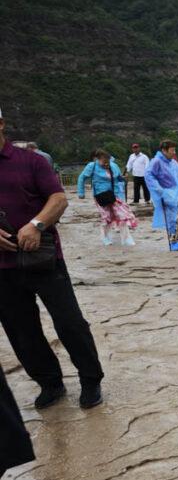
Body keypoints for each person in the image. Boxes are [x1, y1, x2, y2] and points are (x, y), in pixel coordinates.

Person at [0, 107, 105, 409]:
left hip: (44, 258)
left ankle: (91, 380)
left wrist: (36, 224)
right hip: (3, 266)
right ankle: (50, 383)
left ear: (1, 124)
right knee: (21, 330)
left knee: (69, 322)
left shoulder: (31, 161)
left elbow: (58, 199)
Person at [77, 149, 139, 246]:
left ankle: (127, 239)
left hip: (115, 195)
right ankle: (105, 238)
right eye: (103, 161)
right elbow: (82, 178)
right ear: (97, 159)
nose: (106, 163)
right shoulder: (92, 166)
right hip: (101, 196)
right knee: (107, 217)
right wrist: (81, 192)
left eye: (107, 161)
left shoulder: (114, 166)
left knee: (122, 215)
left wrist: (123, 179)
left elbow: (118, 178)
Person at [145, 139, 178, 251]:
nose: (174, 152)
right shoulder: (156, 162)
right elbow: (149, 176)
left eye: (174, 150)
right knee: (172, 219)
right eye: (172, 150)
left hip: (177, 194)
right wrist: (160, 191)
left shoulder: (172, 162)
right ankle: (173, 243)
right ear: (164, 150)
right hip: (167, 195)